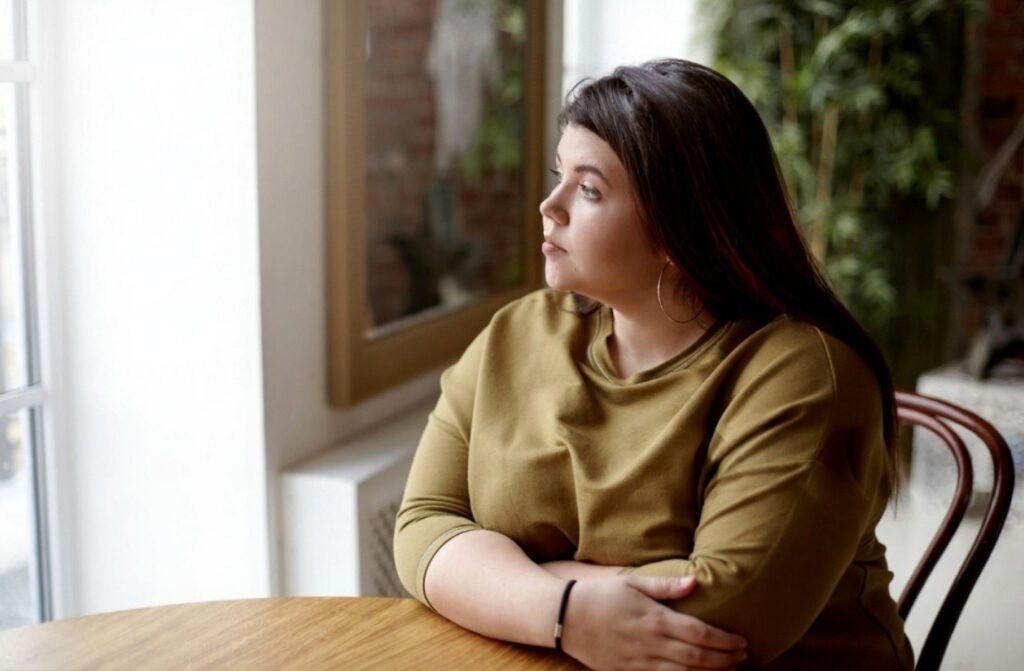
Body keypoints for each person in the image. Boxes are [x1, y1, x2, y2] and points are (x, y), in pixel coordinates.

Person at [393, 58, 914, 670]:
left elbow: (718, 625)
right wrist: (565, 610)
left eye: (588, 189)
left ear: (679, 225)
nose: (549, 205)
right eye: (560, 174)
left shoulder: (803, 375)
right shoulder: (519, 332)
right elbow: (422, 527)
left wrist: (501, 579)